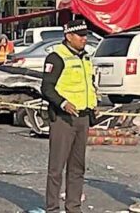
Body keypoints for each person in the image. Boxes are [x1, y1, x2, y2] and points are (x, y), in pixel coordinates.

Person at [41, 19, 97, 213]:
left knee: (78, 167)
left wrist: (93, 106)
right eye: (80, 36)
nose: (84, 39)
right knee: (56, 168)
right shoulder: (56, 58)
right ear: (69, 36)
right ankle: (52, 208)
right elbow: (46, 88)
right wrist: (63, 103)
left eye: (85, 35)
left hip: (83, 117)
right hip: (63, 119)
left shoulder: (86, 58)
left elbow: (89, 85)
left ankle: (74, 207)